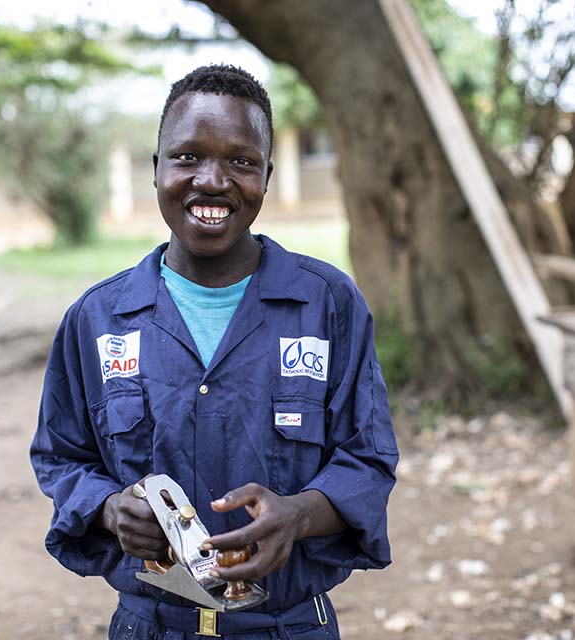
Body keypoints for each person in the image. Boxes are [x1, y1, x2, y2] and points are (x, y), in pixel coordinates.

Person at [30, 65, 399, 639]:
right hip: (150, 625)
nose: (213, 180)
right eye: (187, 157)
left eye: (241, 161)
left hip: (289, 625)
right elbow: (60, 457)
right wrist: (108, 508)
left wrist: (298, 515)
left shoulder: (328, 305)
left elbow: (368, 457)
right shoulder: (96, 320)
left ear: (267, 176)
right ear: (156, 170)